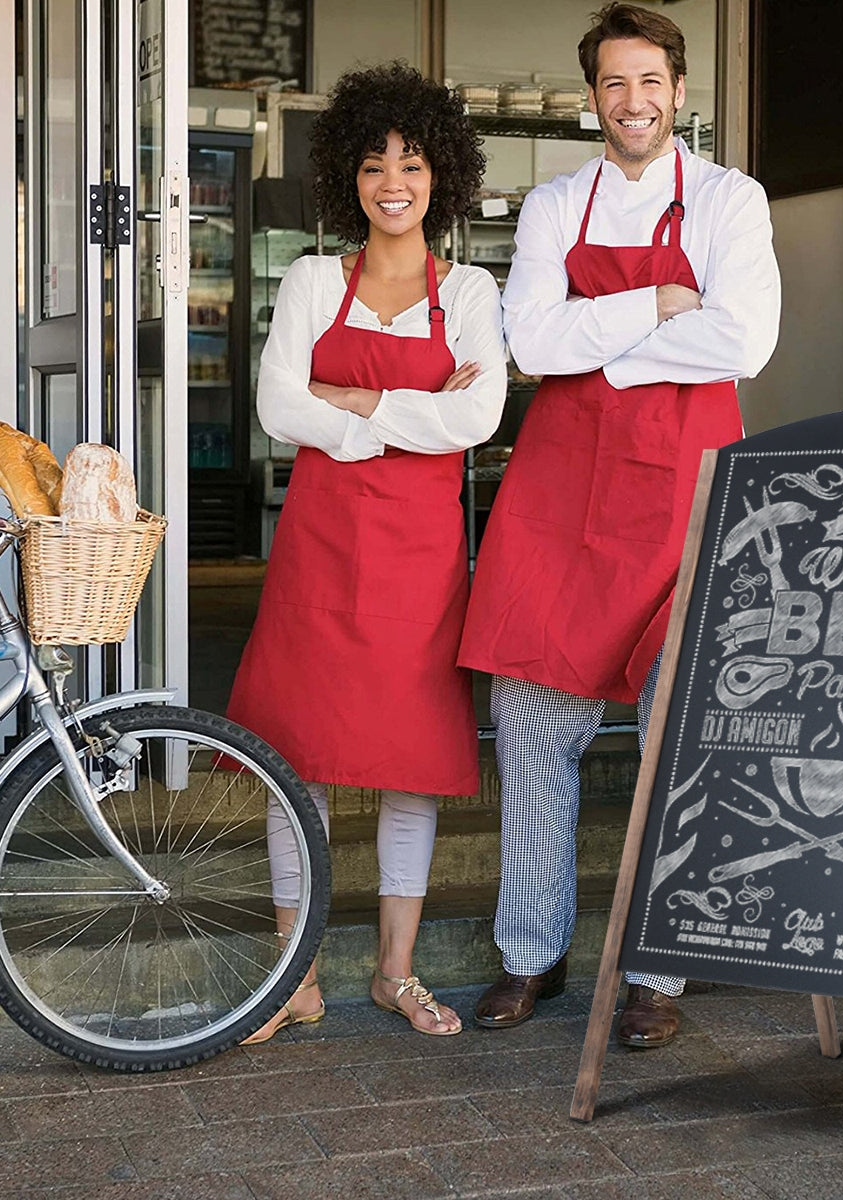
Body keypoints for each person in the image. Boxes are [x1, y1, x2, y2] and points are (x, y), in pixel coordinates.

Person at [458, 3, 780, 1047]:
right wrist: (657, 309)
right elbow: (532, 344)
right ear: (592, 96)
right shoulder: (556, 203)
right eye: (612, 83)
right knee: (531, 721)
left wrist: (606, 349)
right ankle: (529, 956)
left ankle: (658, 974)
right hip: (562, 494)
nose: (632, 101)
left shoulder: (732, 200)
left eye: (650, 82)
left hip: (684, 496)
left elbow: (750, 340)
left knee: (676, 734)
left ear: (679, 92)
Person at [227, 62, 505, 1042]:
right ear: (350, 172)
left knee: (411, 762)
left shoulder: (468, 290)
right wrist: (405, 417)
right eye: (377, 161)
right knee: (294, 755)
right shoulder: (311, 279)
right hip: (318, 545)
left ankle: (395, 972)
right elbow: (275, 407)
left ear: (444, 176)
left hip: (420, 558)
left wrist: (355, 404)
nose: (394, 180)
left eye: (414, 161)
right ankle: (292, 979)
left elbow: (480, 412)